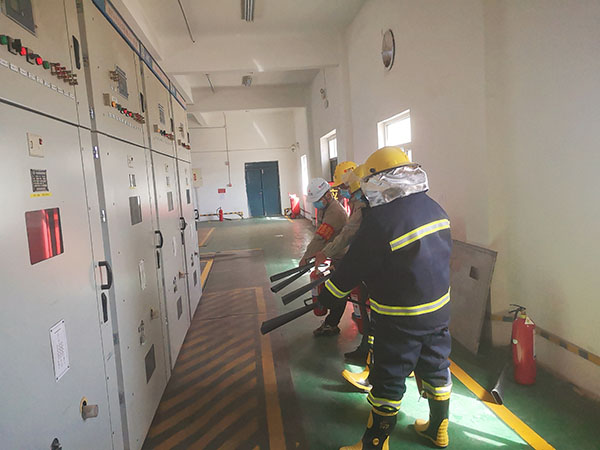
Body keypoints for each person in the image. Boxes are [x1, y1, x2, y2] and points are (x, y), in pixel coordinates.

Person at [317, 147, 453, 449]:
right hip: (438, 314)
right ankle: (438, 430)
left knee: (388, 378)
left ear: (379, 180)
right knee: (436, 367)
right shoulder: (435, 208)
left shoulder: (381, 221)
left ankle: (374, 443)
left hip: (400, 319)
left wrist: (327, 296)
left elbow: (352, 268)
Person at [299, 176, 348, 336]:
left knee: (337, 291)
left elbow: (321, 237)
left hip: (343, 256)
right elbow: (319, 234)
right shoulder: (323, 208)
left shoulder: (335, 212)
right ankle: (331, 323)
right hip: (334, 253)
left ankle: (331, 324)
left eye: (317, 200)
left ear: (327, 195)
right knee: (338, 290)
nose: (316, 204)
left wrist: (307, 256)